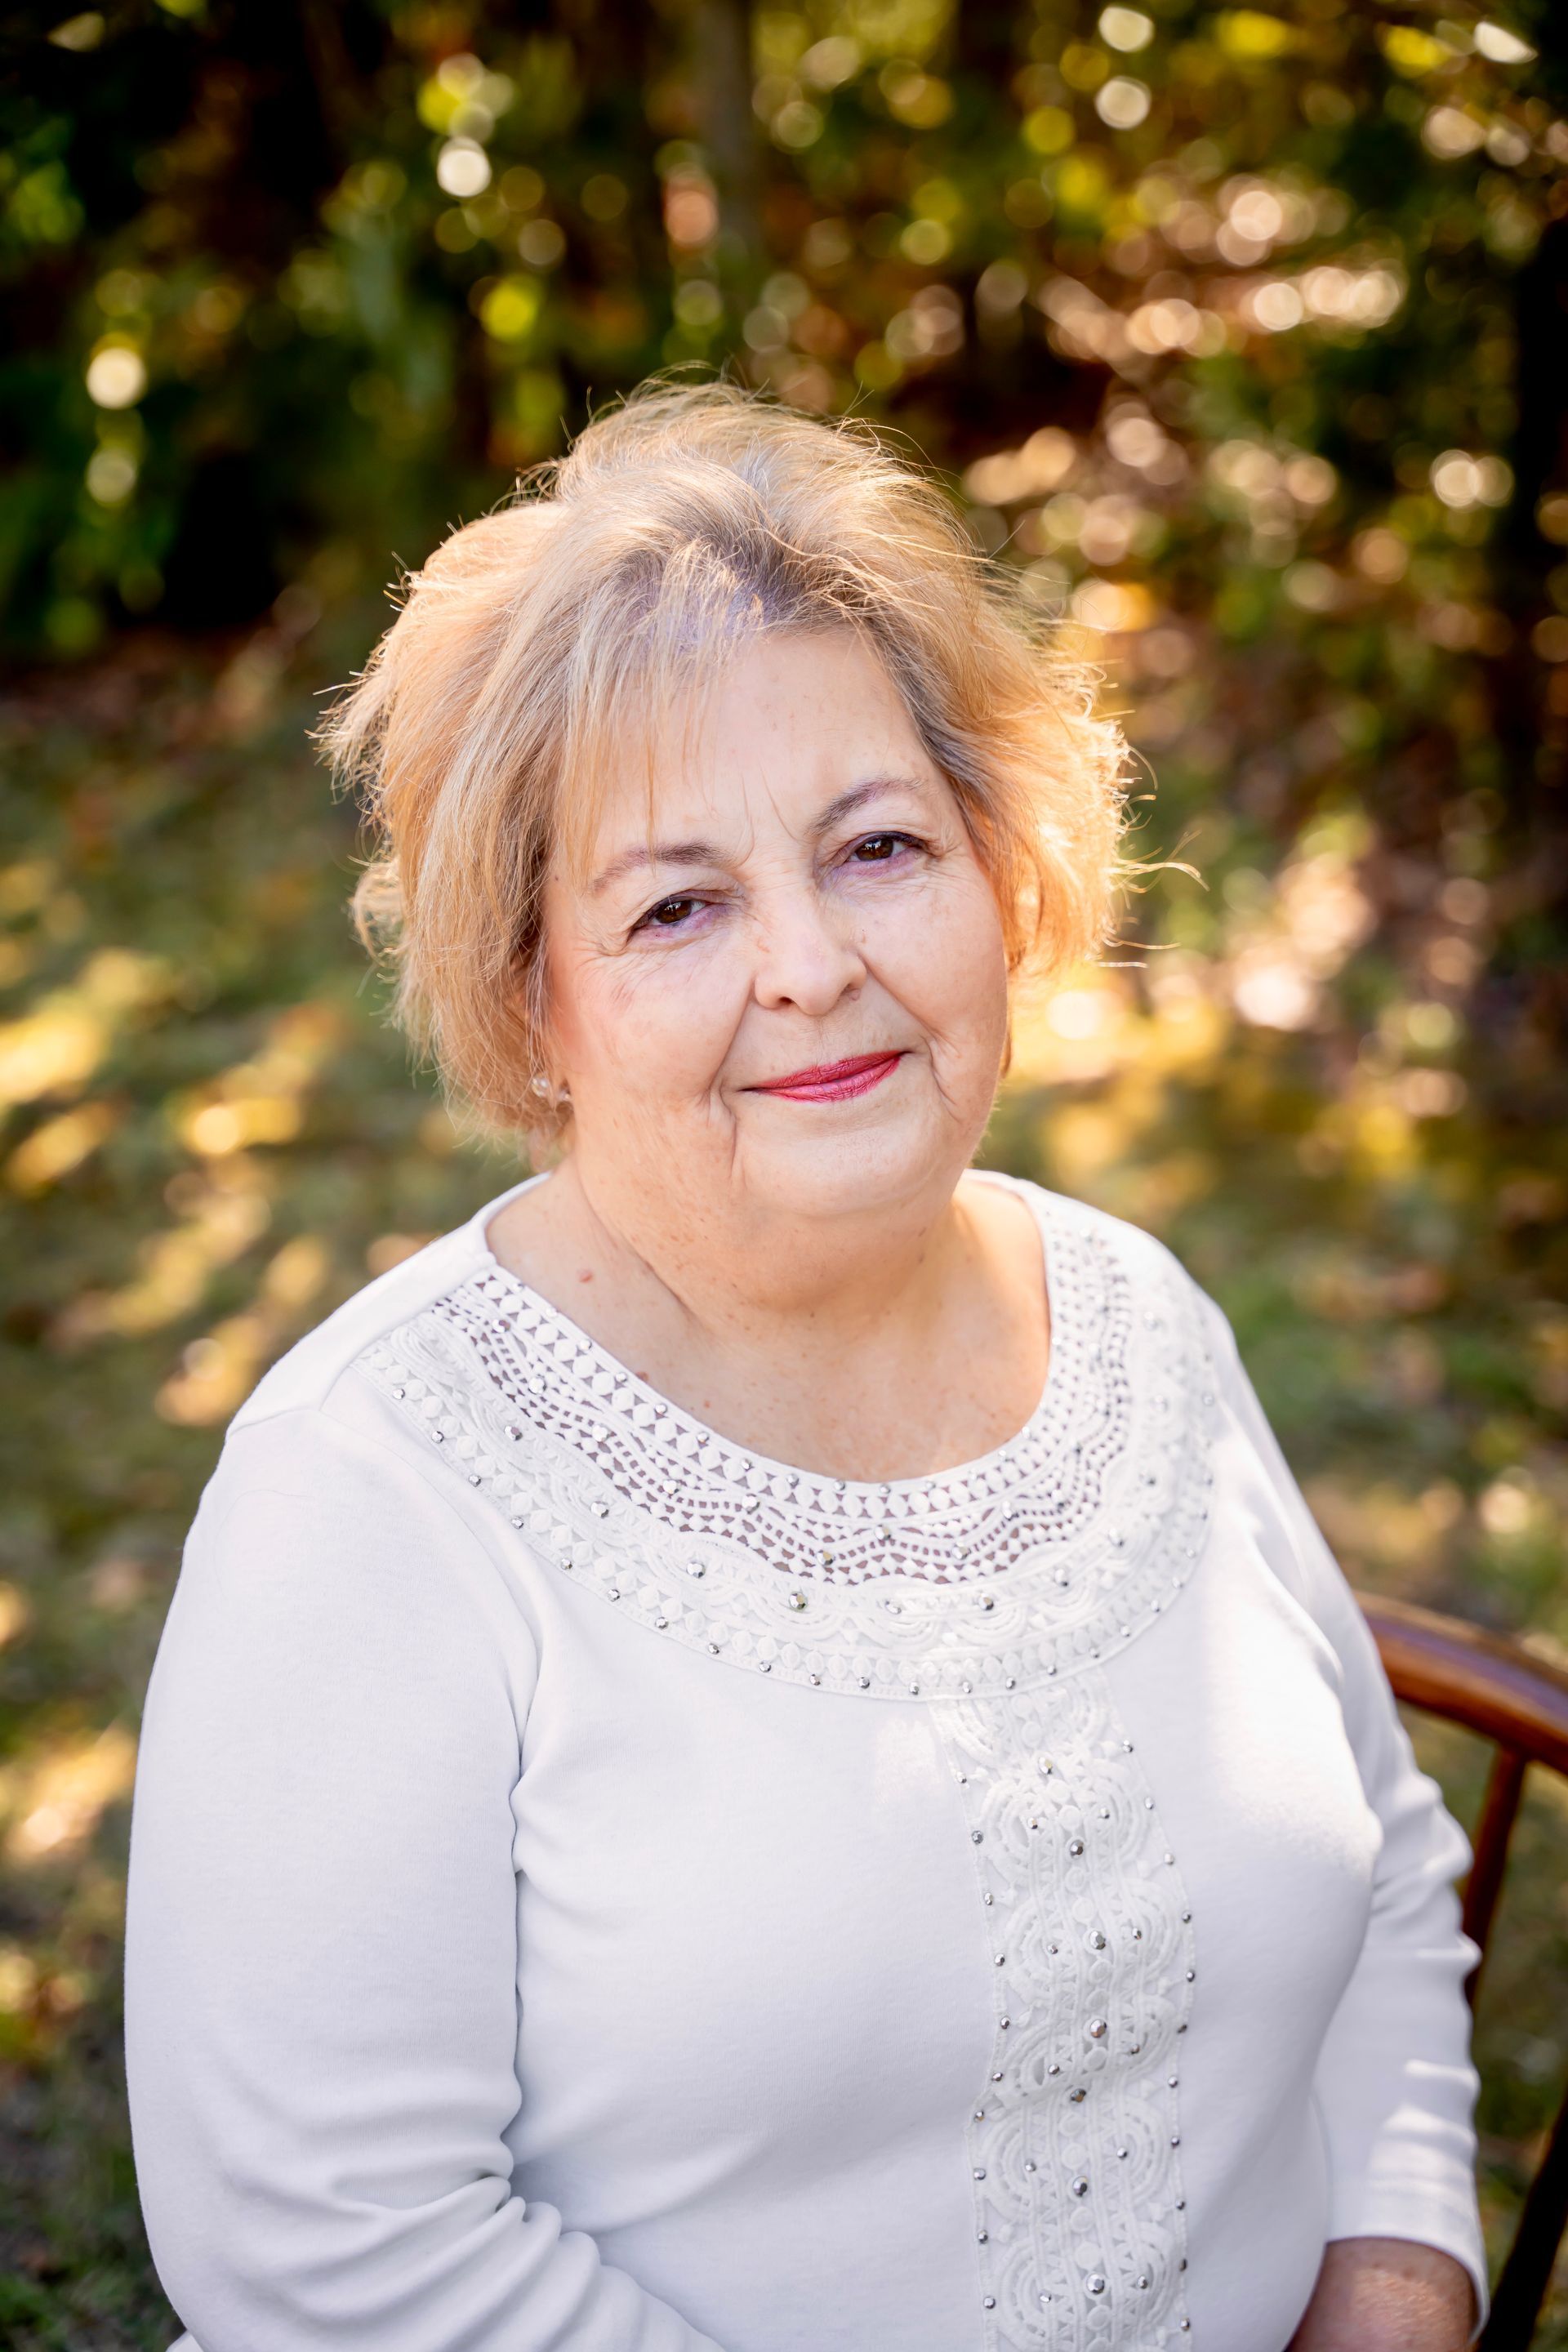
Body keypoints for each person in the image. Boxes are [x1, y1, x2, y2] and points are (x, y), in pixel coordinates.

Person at [124, 383, 1486, 2352]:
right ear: (534, 997)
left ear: (996, 866)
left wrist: (1396, 2271)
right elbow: (335, 2248)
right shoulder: (372, 1495)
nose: (811, 967)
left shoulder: (1138, 1315)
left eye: (874, 848)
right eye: (677, 903)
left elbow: (1378, 1878)